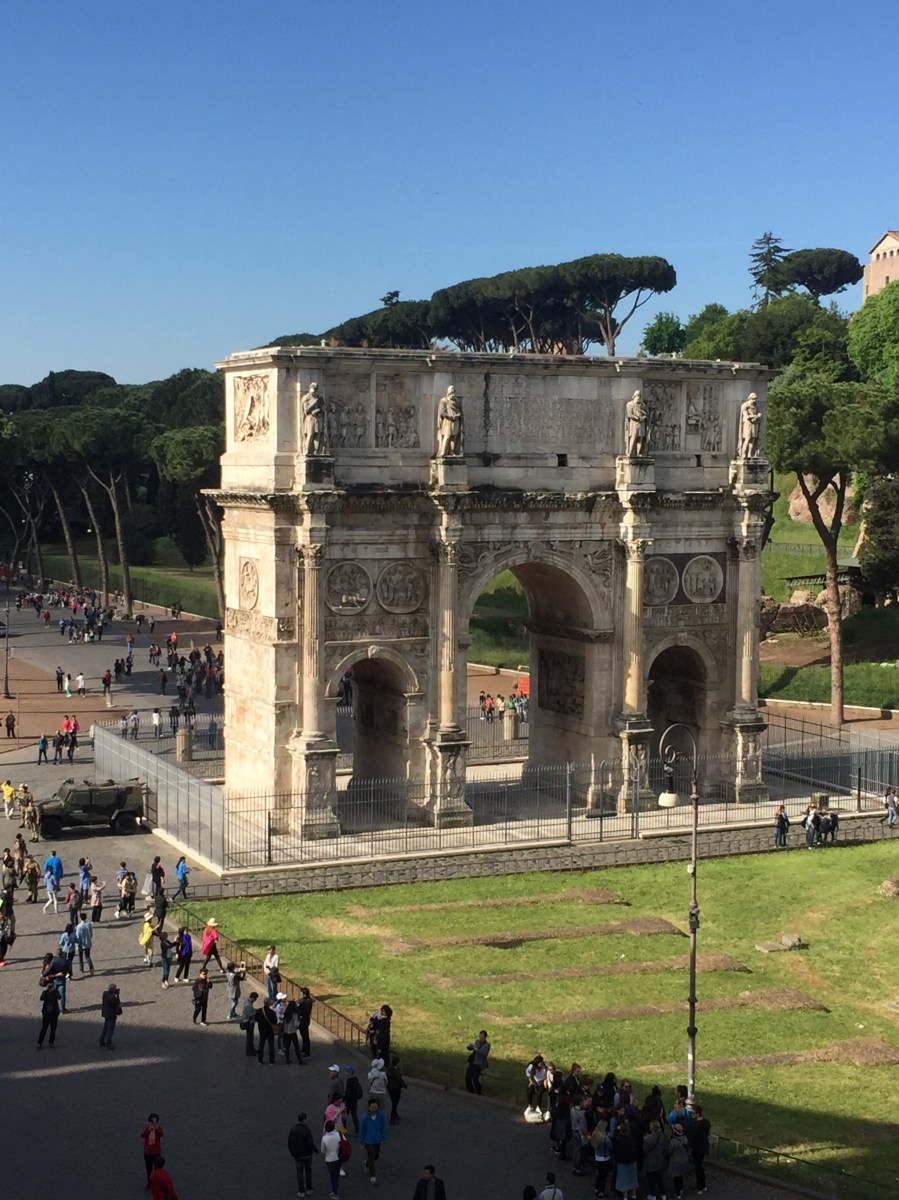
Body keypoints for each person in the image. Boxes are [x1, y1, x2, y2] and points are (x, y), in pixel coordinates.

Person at [288, 1111, 317, 1197]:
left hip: (297, 1155)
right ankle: (309, 1189)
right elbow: (310, 1143)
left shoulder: (293, 1129)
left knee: (299, 1172)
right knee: (308, 1171)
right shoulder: (307, 1130)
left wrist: (292, 1152)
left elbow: (290, 1142)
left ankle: (301, 1190)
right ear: (304, 1120)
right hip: (307, 1154)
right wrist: (315, 1150)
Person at [359, 1097, 387, 1184]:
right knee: (371, 1156)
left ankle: (367, 1164)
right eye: (372, 1108)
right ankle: (373, 1175)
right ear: (369, 1107)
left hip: (377, 1139)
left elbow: (383, 1126)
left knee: (376, 1156)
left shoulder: (381, 1115)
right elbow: (362, 1130)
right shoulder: (365, 1118)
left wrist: (384, 1137)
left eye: (375, 1107)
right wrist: (362, 1141)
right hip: (368, 1140)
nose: (374, 1109)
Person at [688, 1103, 711, 1195]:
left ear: (697, 1114)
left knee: (698, 1167)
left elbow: (693, 1137)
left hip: (697, 1148)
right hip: (704, 1147)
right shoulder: (706, 1122)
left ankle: (699, 1186)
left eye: (693, 1113)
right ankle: (703, 1184)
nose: (691, 1115)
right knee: (700, 1166)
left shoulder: (695, 1124)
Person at [666, 1122, 691, 1200]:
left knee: (676, 1178)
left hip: (676, 1161)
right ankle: (680, 1189)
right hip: (684, 1160)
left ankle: (678, 1193)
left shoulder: (673, 1141)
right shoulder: (685, 1138)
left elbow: (670, 1151)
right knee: (681, 1176)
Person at [140, 1114, 165, 1186]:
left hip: (156, 1152)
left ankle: (158, 1182)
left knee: (157, 1170)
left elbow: (161, 1134)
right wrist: (149, 1129)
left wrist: (156, 1129)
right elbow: (142, 1135)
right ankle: (150, 1183)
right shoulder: (147, 1129)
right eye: (152, 1121)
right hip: (148, 1152)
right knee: (149, 1169)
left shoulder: (159, 1129)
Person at [37, 977, 61, 1048]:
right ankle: (50, 1042)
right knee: (51, 1029)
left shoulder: (46, 992)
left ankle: (40, 1043)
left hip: (48, 1013)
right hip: (52, 1013)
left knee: (46, 1029)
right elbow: (59, 997)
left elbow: (41, 998)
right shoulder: (52, 992)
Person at [321, 1118, 342, 1199]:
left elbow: (323, 1150)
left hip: (329, 1159)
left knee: (333, 1176)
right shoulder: (339, 1135)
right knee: (336, 1174)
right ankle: (337, 1188)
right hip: (338, 1157)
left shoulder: (324, 1138)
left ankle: (335, 1192)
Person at [465, 1029, 490, 1094]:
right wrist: (470, 1046)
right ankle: (471, 1091)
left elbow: (484, 1053)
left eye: (482, 1037)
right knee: (467, 1077)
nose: (480, 1038)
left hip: (479, 1064)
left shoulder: (487, 1045)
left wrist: (477, 1050)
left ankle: (479, 1092)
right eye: (480, 1037)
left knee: (475, 1079)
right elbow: (472, 1049)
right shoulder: (477, 1042)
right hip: (473, 1061)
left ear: (485, 1037)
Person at [256, 995, 278, 1063]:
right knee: (271, 1046)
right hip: (270, 1031)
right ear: (269, 1004)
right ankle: (272, 1060)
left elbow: (256, 1019)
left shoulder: (259, 1011)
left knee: (261, 1044)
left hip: (262, 1030)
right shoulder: (272, 1012)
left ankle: (260, 1060)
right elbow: (275, 1022)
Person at [100, 983, 122, 1049]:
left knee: (105, 1028)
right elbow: (117, 1003)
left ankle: (102, 1041)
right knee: (110, 1029)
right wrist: (117, 995)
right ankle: (108, 1043)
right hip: (111, 1015)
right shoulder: (111, 997)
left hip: (106, 1014)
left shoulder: (105, 994)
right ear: (113, 989)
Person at [386, 1054, 407, 1124]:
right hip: (396, 1089)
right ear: (397, 1063)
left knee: (393, 1102)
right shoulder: (397, 1072)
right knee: (395, 1103)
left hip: (390, 1088)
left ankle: (395, 1114)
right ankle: (392, 1118)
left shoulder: (389, 1070)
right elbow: (400, 1080)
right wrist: (405, 1085)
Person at [344, 1064, 363, 1133]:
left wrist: (343, 1100)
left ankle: (343, 1129)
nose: (345, 1073)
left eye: (346, 1071)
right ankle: (357, 1129)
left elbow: (347, 1093)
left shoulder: (349, 1082)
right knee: (354, 1115)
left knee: (344, 1116)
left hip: (349, 1102)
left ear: (349, 1073)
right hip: (354, 1101)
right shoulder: (355, 1080)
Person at [240, 990, 259, 1055]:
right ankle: (249, 1051)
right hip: (249, 1023)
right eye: (255, 999)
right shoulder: (248, 1005)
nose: (255, 1000)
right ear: (253, 998)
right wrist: (257, 1012)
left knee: (250, 1037)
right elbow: (252, 1014)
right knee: (250, 1037)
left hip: (248, 1021)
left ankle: (251, 1049)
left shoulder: (247, 1001)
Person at [298, 985, 313, 1058]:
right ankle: (304, 1048)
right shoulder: (304, 1000)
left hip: (304, 1020)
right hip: (302, 1019)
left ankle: (307, 1052)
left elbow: (304, 1010)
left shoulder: (308, 1001)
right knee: (303, 1035)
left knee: (305, 1036)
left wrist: (298, 1009)